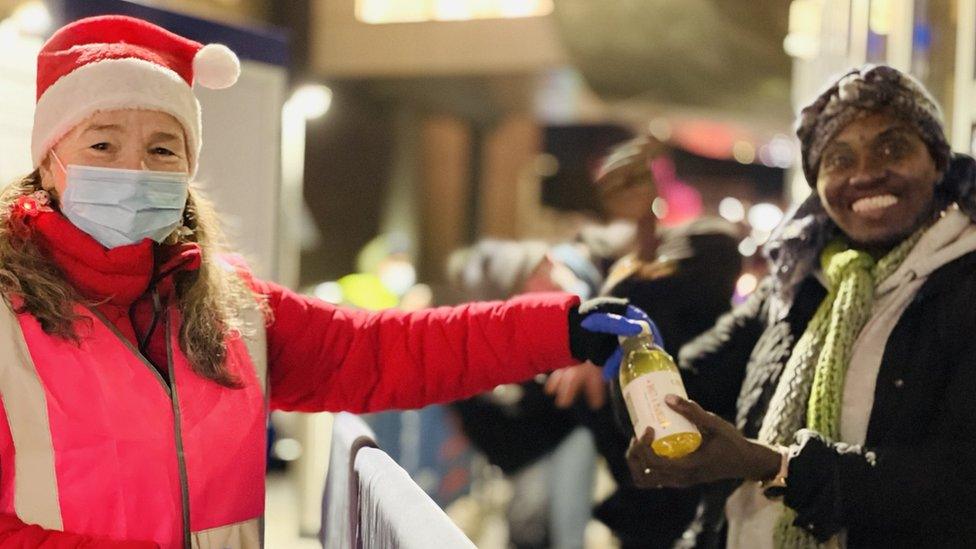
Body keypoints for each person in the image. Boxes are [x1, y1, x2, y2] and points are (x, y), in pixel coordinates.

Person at [0, 16, 648, 548]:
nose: (135, 169)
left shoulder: (229, 309)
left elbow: (380, 352)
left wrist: (558, 327)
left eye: (163, 149)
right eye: (103, 145)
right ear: (49, 162)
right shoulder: (7, 318)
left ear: (188, 169)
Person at [626, 64, 976, 548]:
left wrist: (775, 465)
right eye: (839, 158)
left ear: (938, 162)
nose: (866, 173)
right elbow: (690, 383)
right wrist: (631, 360)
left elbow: (958, 490)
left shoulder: (964, 284)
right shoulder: (795, 284)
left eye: (893, 147)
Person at [545, 136, 742, 548]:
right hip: (638, 479)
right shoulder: (604, 258)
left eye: (638, 178)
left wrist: (644, 225)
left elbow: (651, 301)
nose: (628, 191)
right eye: (615, 181)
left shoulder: (708, 243)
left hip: (707, 460)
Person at [446, 239, 603, 549]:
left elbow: (587, 397)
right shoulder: (547, 315)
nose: (522, 298)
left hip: (573, 435)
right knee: (537, 525)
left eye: (521, 285)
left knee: (564, 532)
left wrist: (590, 363)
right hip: (546, 443)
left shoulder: (595, 291)